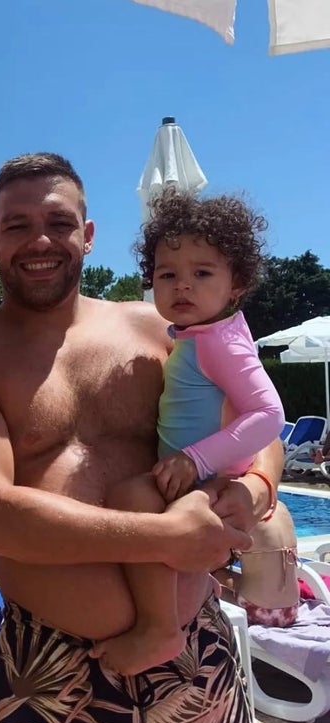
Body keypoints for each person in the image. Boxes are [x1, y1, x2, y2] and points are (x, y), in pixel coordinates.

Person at [0, 152, 283, 723]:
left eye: (59, 223)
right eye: (17, 226)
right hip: (54, 673)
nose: (40, 241)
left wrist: (254, 491)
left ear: (88, 235)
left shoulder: (162, 329)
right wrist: (165, 538)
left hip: (193, 654)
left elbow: (261, 427)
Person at [88, 190, 285, 675]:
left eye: (203, 273)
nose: (183, 286)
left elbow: (269, 415)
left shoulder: (220, 343)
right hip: (203, 475)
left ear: (237, 283)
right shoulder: (201, 335)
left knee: (133, 499)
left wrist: (195, 459)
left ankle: (159, 629)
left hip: (207, 479)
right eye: (167, 274)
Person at [216, 501, 299, 626]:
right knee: (226, 576)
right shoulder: (281, 507)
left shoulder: (241, 512)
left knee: (210, 579)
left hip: (258, 612)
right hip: (291, 610)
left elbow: (217, 559)